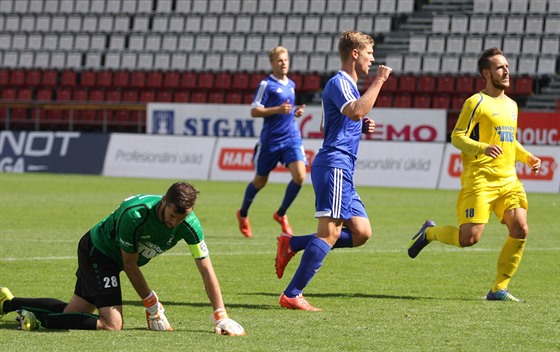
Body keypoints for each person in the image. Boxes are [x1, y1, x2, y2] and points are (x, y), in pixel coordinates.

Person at [0, 181, 245, 335]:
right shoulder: (135, 215)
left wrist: (220, 315)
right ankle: (38, 320)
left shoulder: (190, 225)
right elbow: (129, 264)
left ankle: (7, 303)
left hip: (114, 258)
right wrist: (151, 305)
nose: (174, 224)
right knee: (111, 324)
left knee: (73, 312)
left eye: (181, 219)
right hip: (99, 252)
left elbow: (206, 270)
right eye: (172, 216)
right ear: (164, 202)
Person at [407, 47, 541, 303]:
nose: (506, 70)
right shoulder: (475, 102)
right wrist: (482, 147)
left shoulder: (512, 105)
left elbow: (510, 140)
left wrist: (528, 157)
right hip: (479, 181)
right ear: (486, 73)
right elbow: (457, 136)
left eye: (507, 66)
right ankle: (429, 233)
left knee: (520, 228)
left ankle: (498, 288)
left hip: (508, 180)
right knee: (469, 239)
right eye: (500, 67)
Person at [275, 31, 392, 310]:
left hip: (343, 167)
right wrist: (379, 81)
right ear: (355, 54)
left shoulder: (347, 86)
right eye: (369, 54)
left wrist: (358, 125)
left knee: (361, 232)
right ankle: (292, 294)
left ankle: (292, 243)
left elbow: (329, 126)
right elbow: (354, 111)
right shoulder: (340, 82)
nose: (372, 60)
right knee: (329, 232)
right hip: (335, 163)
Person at [236, 46, 307, 238]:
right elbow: (254, 111)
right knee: (260, 181)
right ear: (272, 63)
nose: (283, 63)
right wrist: (277, 110)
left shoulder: (291, 84)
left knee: (300, 176)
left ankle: (281, 214)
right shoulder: (265, 85)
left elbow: (287, 110)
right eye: (279, 61)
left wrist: (295, 112)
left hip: (291, 137)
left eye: (285, 60)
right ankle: (243, 214)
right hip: (271, 141)